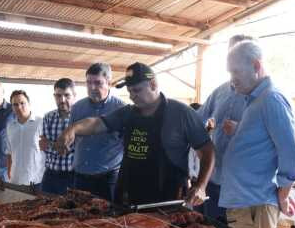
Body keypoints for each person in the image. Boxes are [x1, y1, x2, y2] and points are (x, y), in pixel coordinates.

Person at [57, 62, 214, 206]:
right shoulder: (128, 113)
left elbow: (207, 150)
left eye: (137, 90)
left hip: (168, 198)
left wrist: (201, 186)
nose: (132, 96)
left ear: (153, 84)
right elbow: (97, 123)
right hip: (130, 195)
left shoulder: (181, 113)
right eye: (130, 91)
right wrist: (73, 129)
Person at [220, 41, 295, 228]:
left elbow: (291, 152)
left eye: (235, 72)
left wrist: (284, 195)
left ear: (256, 66)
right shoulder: (257, 101)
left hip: (254, 204)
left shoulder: (271, 99)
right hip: (246, 202)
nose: (232, 81)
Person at [197, 34, 253, 222]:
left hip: (244, 190)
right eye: (232, 52)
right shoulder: (219, 91)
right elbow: (197, 121)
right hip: (214, 181)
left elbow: (280, 144)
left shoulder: (266, 96)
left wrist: (242, 129)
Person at [70, 63, 125, 201]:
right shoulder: (77, 108)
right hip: (80, 178)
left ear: (109, 83)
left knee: (108, 220)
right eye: (88, 82)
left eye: (98, 83)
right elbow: (73, 139)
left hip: (108, 180)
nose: (92, 87)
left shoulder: (121, 109)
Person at [39, 78, 77, 195]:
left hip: (72, 177)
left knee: (69, 211)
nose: (62, 100)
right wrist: (62, 146)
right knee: (44, 209)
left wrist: (51, 144)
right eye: (58, 96)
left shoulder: (80, 118)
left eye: (67, 95)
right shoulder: (48, 117)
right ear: (54, 96)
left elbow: (78, 148)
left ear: (74, 95)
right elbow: (43, 146)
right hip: (50, 175)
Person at [5, 90, 45, 188]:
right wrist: (9, 172)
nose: (19, 107)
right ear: (12, 107)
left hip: (36, 180)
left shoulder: (41, 123)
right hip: (15, 179)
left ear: (29, 103)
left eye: (22, 103)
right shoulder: (10, 127)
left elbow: (47, 150)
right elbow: (9, 152)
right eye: (15, 104)